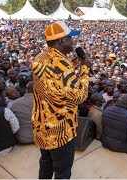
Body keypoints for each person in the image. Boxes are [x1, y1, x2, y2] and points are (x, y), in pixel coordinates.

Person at [32, 21, 92, 179]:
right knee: (62, 171)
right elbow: (80, 96)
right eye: (70, 38)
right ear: (61, 40)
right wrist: (85, 68)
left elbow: (55, 76)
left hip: (41, 124)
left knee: (45, 162)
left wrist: (73, 64)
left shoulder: (40, 57)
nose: (73, 42)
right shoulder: (62, 65)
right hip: (60, 130)